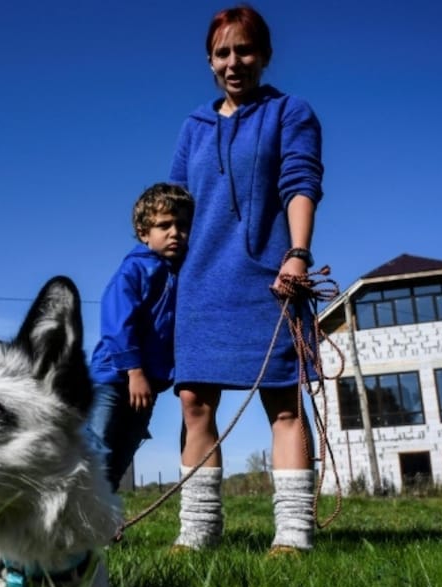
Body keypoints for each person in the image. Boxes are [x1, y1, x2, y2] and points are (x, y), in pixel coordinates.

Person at [168, 5, 324, 554]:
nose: (234, 63)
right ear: (210, 61)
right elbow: (176, 204)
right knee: (194, 403)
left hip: (269, 279)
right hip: (200, 282)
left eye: (244, 50)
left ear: (264, 54)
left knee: (284, 405)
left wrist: (297, 254)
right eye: (222, 53)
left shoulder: (289, 112)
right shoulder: (194, 126)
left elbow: (301, 182)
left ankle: (294, 536)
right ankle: (198, 532)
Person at [87, 183, 193, 491]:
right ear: (144, 232)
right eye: (164, 225)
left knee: (124, 450)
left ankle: (103, 517)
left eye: (182, 226)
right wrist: (133, 370)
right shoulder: (134, 271)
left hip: (148, 383)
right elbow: (117, 322)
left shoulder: (180, 274)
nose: (175, 233)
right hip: (114, 378)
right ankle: (70, 521)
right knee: (96, 447)